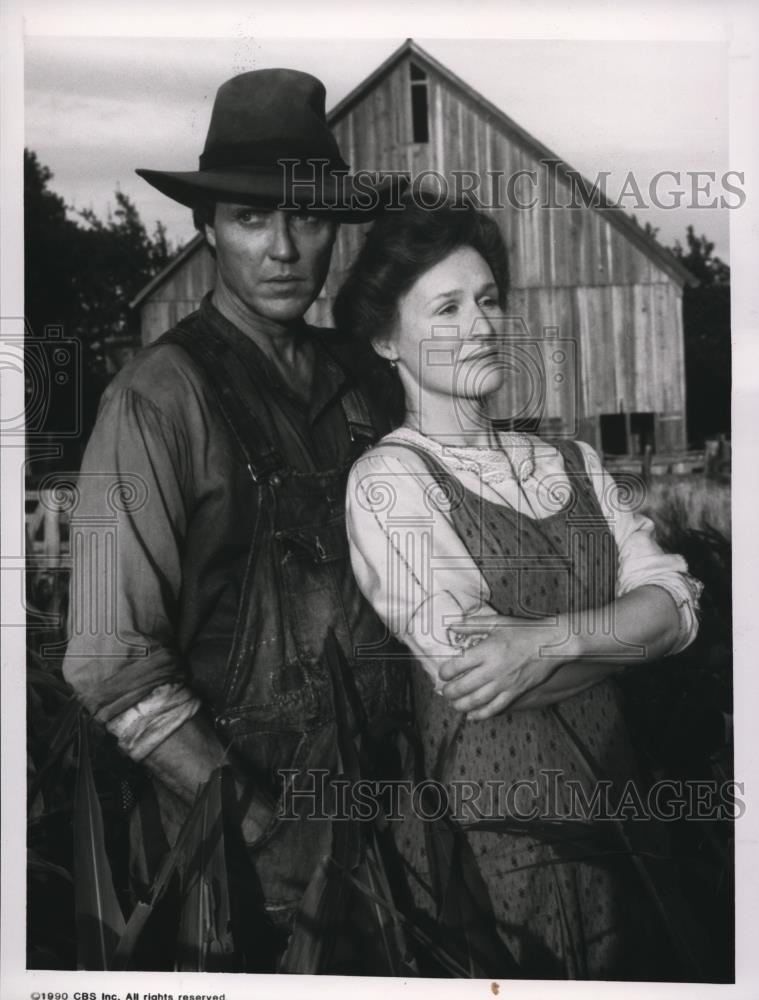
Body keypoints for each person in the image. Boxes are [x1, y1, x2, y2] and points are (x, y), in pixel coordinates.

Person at [61, 69, 407, 965]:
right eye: (252, 218)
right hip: (230, 884)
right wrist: (262, 828)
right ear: (205, 227)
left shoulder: (369, 384)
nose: (283, 248)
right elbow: (109, 664)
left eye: (308, 217)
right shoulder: (152, 403)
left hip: (385, 848)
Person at [337, 198, 704, 979]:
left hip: (620, 807)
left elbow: (678, 607)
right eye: (446, 308)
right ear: (385, 340)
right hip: (495, 836)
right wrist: (636, 635)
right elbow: (477, 680)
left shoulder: (573, 461)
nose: (481, 324)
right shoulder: (389, 480)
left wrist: (544, 641)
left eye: (488, 299)